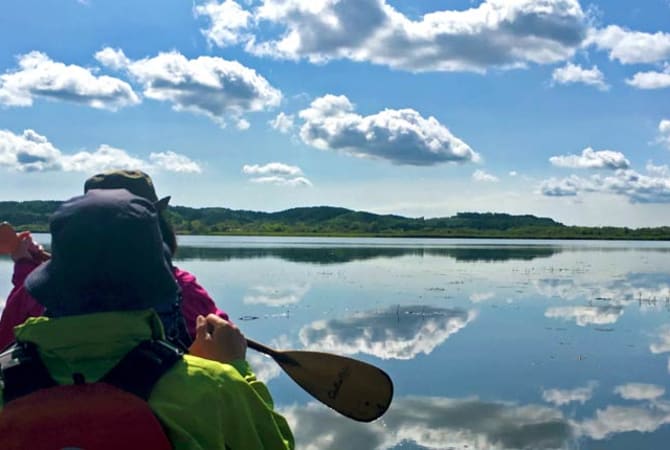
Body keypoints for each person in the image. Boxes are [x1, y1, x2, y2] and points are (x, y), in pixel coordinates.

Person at [0, 189, 294, 449]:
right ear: (158, 288)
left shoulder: (6, 380)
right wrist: (236, 369)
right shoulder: (215, 387)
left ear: (49, 288)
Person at [0, 169, 226, 350]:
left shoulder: (36, 293)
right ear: (154, 228)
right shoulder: (182, 289)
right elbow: (227, 342)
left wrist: (25, 267)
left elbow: (7, 342)